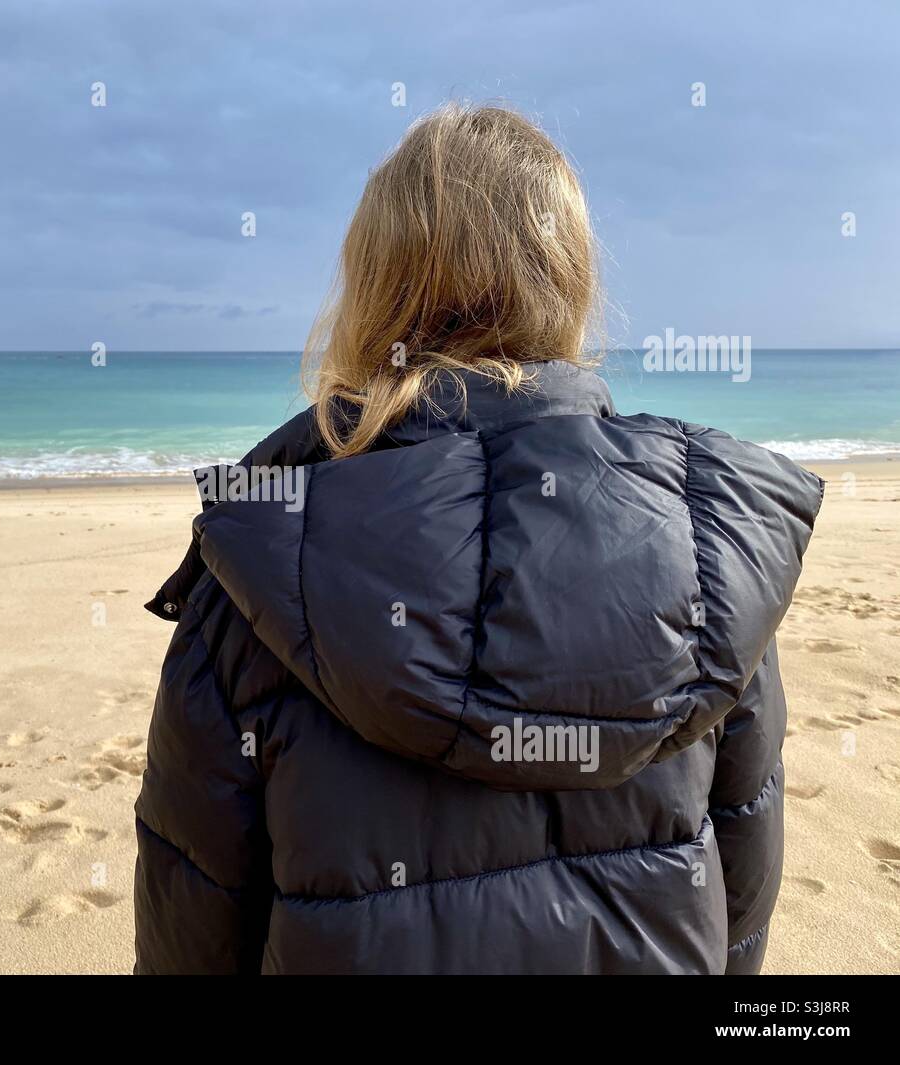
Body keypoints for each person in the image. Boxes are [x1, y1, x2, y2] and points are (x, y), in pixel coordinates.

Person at [134, 103, 823, 974]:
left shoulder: (263, 573)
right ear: (567, 278)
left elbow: (192, 925)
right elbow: (740, 901)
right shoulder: (699, 558)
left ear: (376, 285)